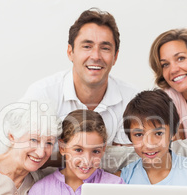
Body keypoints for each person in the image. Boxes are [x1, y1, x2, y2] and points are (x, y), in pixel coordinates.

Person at [21, 8, 139, 146]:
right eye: (87, 46)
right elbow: (20, 154)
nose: (95, 56)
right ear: (70, 52)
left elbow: (130, 161)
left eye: (105, 48)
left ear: (115, 57)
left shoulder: (131, 100)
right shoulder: (42, 94)